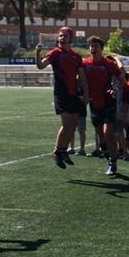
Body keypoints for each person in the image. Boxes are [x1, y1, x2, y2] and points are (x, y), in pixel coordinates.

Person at [35, 26, 88, 170]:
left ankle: (63, 151)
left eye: (65, 35)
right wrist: (37, 53)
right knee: (66, 124)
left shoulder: (76, 56)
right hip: (61, 94)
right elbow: (40, 66)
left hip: (74, 94)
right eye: (60, 35)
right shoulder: (54, 53)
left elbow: (82, 76)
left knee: (73, 125)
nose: (62, 38)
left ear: (70, 38)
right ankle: (58, 151)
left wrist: (86, 94)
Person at [82, 37, 122, 176]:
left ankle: (113, 162)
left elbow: (121, 78)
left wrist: (115, 90)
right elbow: (78, 79)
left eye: (96, 46)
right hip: (94, 103)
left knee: (108, 133)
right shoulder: (85, 63)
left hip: (108, 102)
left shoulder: (108, 64)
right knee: (101, 135)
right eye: (91, 46)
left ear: (101, 48)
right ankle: (109, 156)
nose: (93, 48)